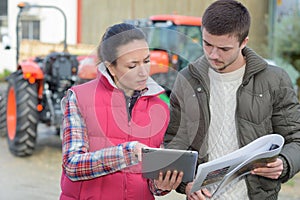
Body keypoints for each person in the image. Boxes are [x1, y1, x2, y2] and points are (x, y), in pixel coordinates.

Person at [164, 0, 300, 200]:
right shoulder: (186, 79)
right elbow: (175, 143)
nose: (213, 54)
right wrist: (186, 185)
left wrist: (284, 162)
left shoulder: (275, 80)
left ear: (244, 42)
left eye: (224, 49)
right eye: (207, 44)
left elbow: (296, 139)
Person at [59, 23, 183, 200]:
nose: (143, 72)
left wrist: (161, 185)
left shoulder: (160, 108)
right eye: (132, 66)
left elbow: (151, 183)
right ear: (111, 67)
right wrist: (127, 153)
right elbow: (72, 166)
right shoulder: (80, 98)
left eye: (146, 61)